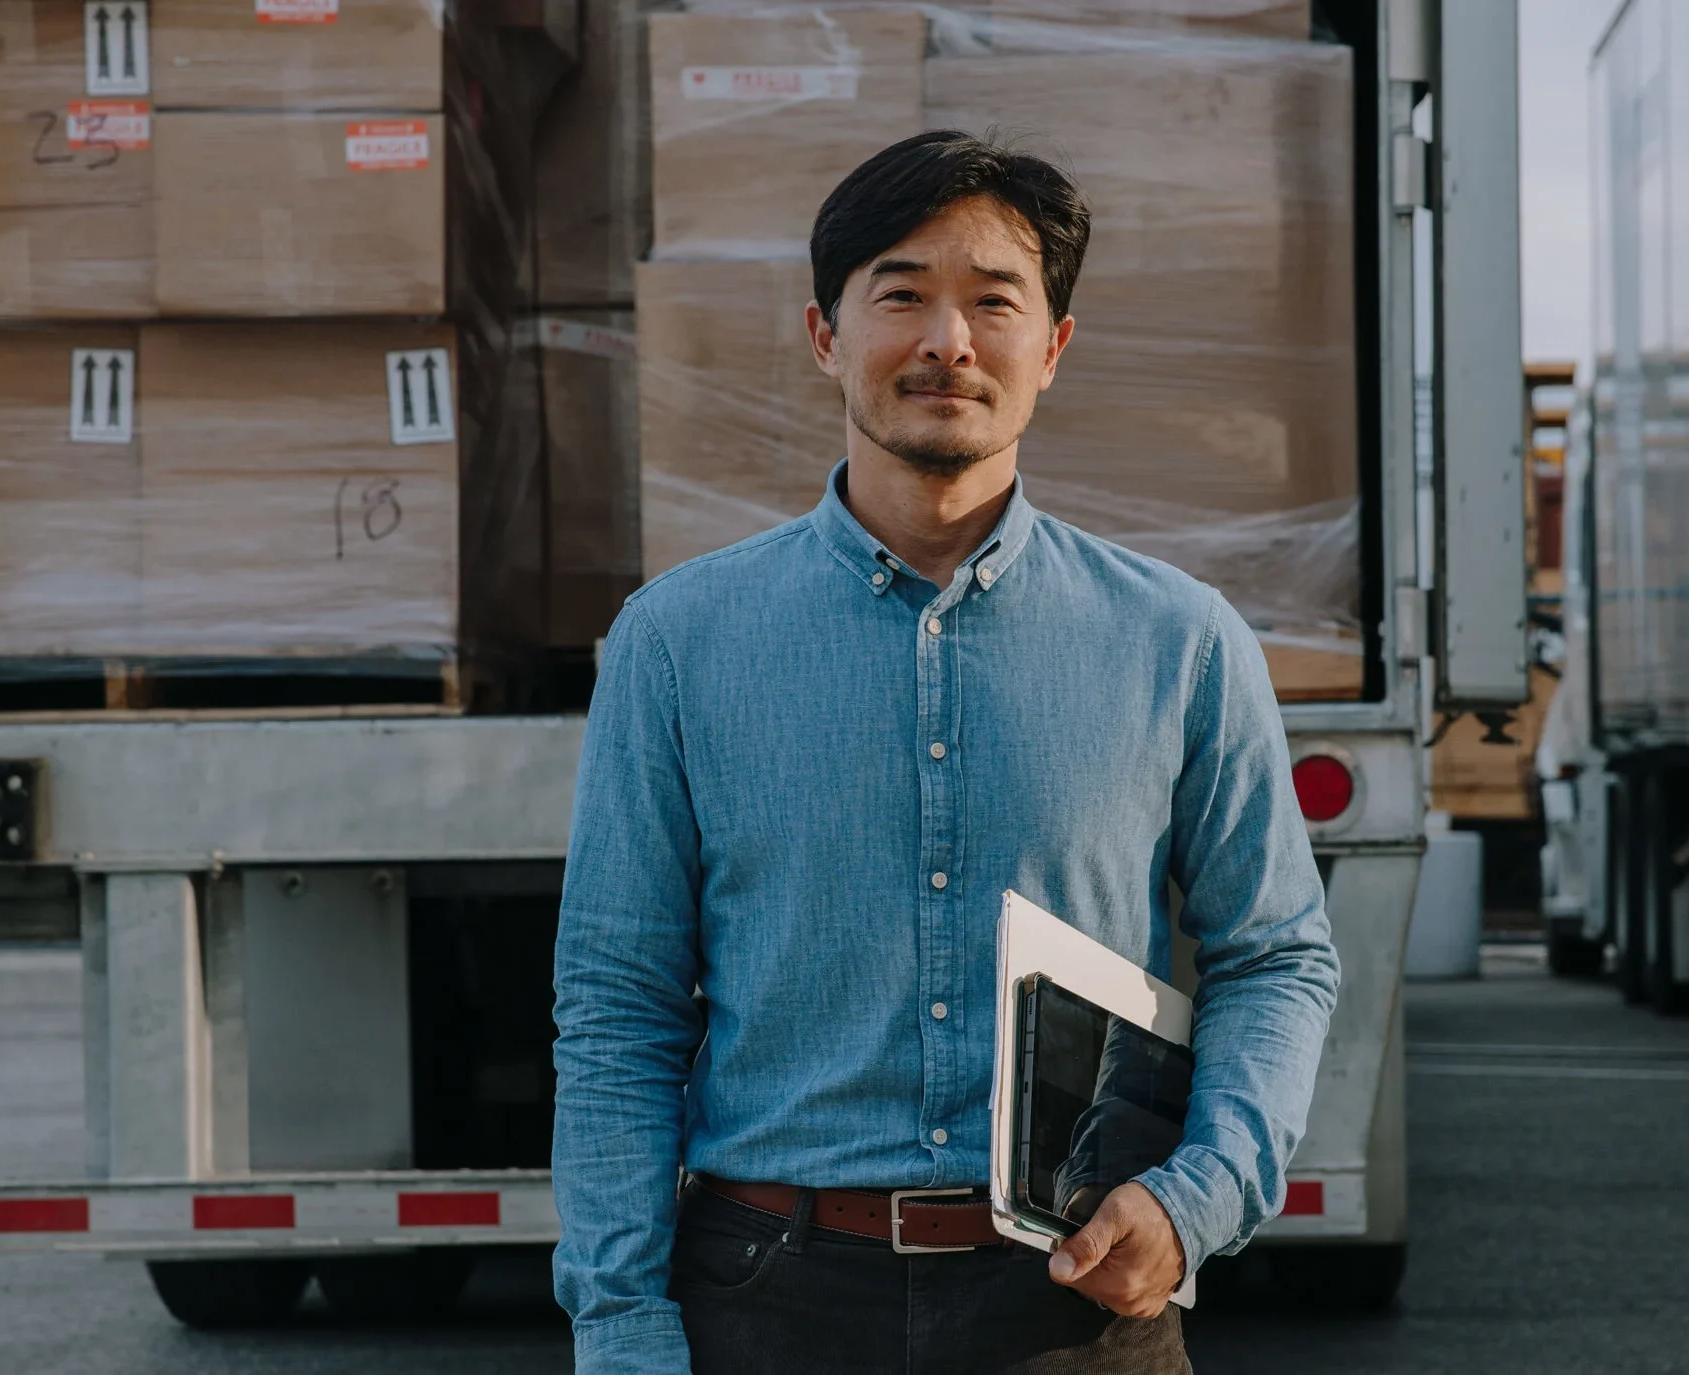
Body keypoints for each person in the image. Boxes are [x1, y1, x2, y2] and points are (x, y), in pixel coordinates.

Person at [552, 130, 1341, 1374]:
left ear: (1054, 347)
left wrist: (1198, 1197)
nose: (947, 342)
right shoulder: (677, 643)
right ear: (824, 334)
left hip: (1076, 1305)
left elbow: (1277, 952)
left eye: (992, 302)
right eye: (901, 295)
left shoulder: (1177, 639)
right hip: (766, 1298)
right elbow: (617, 1008)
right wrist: (622, 1324)